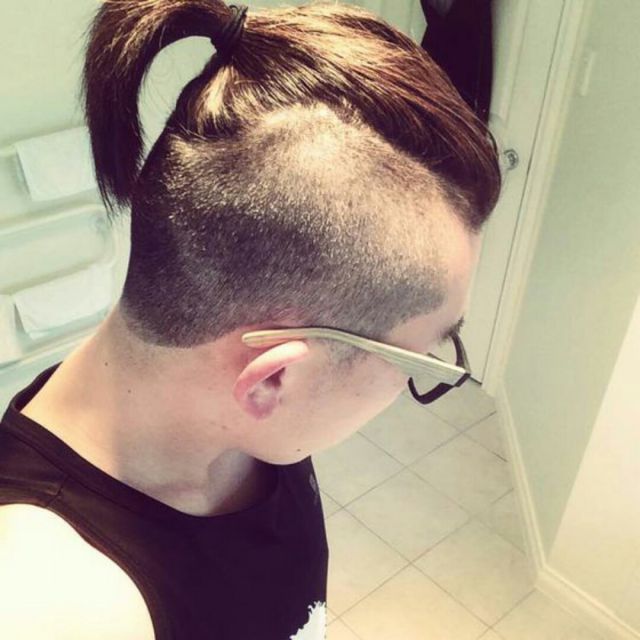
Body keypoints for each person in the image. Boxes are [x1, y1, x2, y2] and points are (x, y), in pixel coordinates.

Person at [0, 1, 502, 638]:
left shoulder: (249, 422)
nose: (412, 381)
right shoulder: (61, 602)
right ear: (274, 378)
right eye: (419, 358)